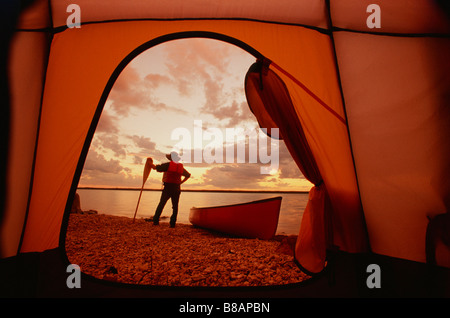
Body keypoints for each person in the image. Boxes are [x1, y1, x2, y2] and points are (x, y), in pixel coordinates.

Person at [150, 151, 190, 228]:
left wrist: (149, 164)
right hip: (177, 188)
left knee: (161, 204)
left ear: (171, 159)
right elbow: (188, 175)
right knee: (175, 206)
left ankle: (155, 221)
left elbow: (156, 167)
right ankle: (172, 224)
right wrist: (181, 182)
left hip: (168, 188)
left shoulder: (168, 165)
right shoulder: (181, 167)